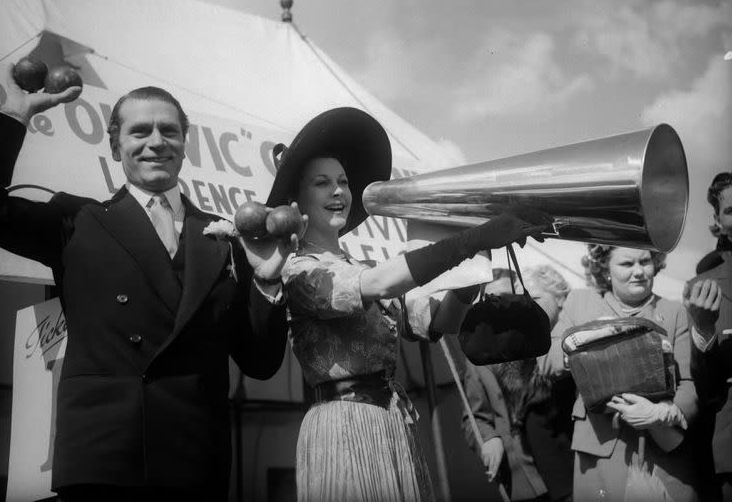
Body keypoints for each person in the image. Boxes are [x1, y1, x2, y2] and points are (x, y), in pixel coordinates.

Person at [0, 69, 301, 501]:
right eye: (140, 131)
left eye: (169, 131)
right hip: (104, 463)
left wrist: (268, 283)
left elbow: (259, 362)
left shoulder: (225, 239)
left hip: (196, 463)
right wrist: (15, 113)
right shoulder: (77, 222)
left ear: (185, 143)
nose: (156, 142)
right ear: (115, 144)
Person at [266, 107, 548, 502]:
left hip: (389, 424)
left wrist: (476, 260)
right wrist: (472, 239)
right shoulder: (300, 270)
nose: (339, 192)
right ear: (296, 200)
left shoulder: (359, 267)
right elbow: (380, 283)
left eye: (344, 182)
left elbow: (438, 322)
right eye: (322, 183)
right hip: (343, 429)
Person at [539, 244, 698, 502]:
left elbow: (689, 386)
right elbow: (549, 361)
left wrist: (664, 412)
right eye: (627, 264)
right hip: (599, 449)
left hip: (661, 449)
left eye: (645, 261)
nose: (639, 271)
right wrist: (588, 342)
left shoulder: (674, 311)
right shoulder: (581, 302)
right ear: (605, 269)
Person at [462, 265, 574, 502]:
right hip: (522, 475)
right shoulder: (478, 355)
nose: (498, 306)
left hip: (566, 466)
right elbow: (474, 418)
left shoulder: (540, 337)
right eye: (490, 299)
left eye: (505, 297)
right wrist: (489, 438)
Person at [685, 171, 732, 501]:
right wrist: (703, 329)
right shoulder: (703, 289)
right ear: (718, 220)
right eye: (731, 210)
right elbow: (709, 394)